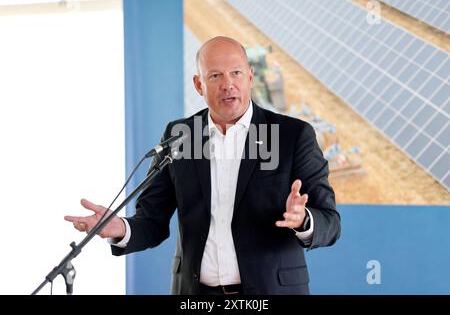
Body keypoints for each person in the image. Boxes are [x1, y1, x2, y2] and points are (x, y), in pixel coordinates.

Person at [64, 36, 340, 295]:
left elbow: (330, 222)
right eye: (215, 76)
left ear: (250, 77)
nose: (228, 84)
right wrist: (120, 228)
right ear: (199, 85)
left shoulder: (292, 135)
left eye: (236, 73)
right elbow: (152, 220)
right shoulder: (180, 135)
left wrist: (303, 219)